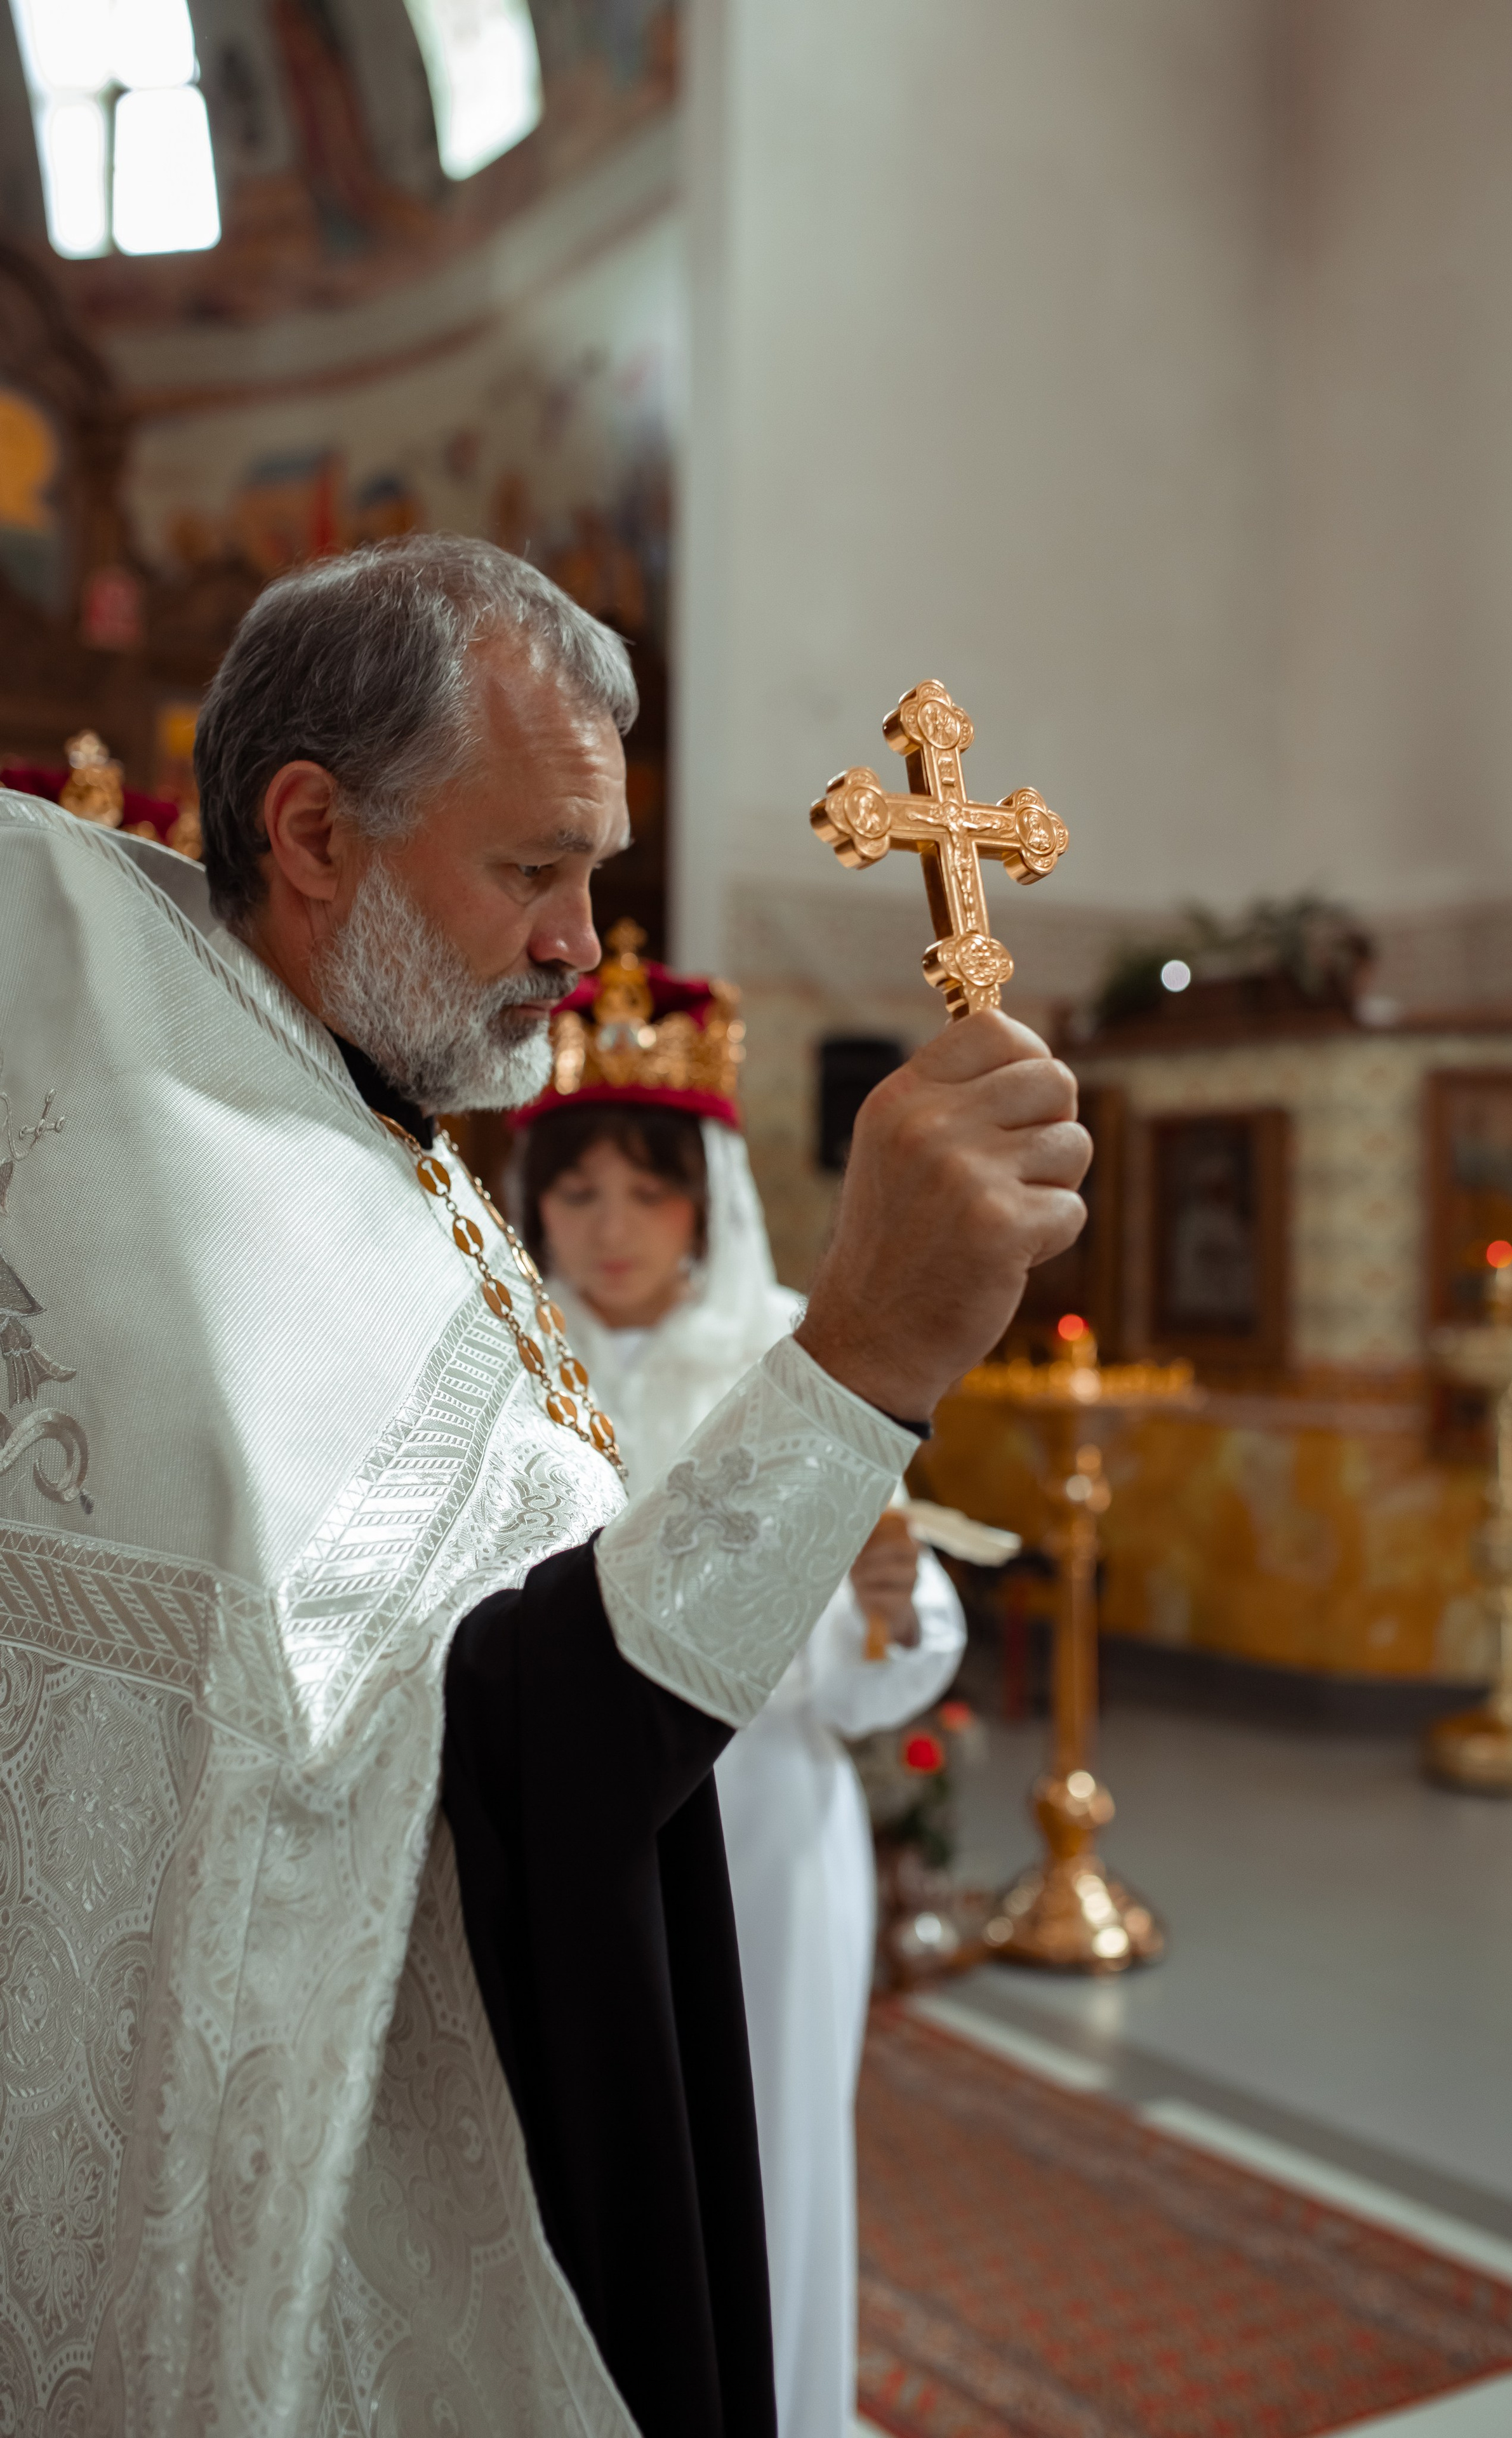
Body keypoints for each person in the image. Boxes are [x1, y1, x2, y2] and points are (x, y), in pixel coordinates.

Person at [0, 535, 1088, 2438]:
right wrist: (865, 1360)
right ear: (316, 832)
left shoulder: (353, 1120)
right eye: (534, 869)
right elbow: (478, 1753)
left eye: (597, 876)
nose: (583, 943)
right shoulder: (201, 1215)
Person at [515, 930, 965, 2438]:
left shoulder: (794, 1358)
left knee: (764, 2156)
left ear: (707, 1200)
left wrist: (885, 1616)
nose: (611, 1226)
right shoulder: (502, 1360)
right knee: (566, 2160)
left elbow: (895, 1636)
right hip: (565, 1837)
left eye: (647, 1188)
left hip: (762, 1819)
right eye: (576, 1190)